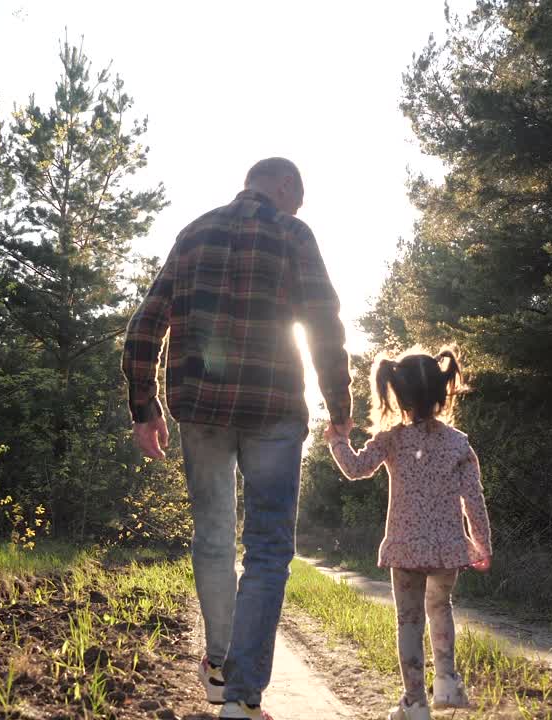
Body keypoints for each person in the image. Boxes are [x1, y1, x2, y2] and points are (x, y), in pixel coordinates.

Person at [122, 158, 352, 720]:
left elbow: (145, 325)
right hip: (273, 409)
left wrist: (143, 407)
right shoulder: (293, 234)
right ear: (283, 186)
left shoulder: (195, 231)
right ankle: (242, 698)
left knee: (215, 535)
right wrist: (340, 407)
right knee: (269, 548)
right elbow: (324, 326)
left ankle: (220, 664)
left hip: (199, 408)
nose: (298, 208)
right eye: (297, 197)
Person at [323, 347, 492, 720]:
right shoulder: (459, 443)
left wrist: (338, 439)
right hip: (448, 548)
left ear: (397, 394)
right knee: (440, 608)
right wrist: (482, 544)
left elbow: (355, 469)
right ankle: (447, 681)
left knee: (410, 622)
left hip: (404, 548)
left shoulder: (391, 440)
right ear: (441, 392)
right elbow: (473, 500)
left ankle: (415, 703)